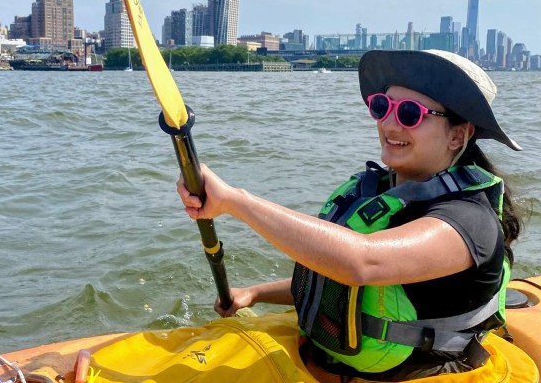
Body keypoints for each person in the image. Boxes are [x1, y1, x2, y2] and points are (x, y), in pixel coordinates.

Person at [177, 50, 523, 381]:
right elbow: (338, 283)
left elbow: (362, 263)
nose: (389, 124)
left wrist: (235, 202)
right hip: (336, 364)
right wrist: (256, 293)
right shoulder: (384, 192)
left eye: (410, 114)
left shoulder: (468, 220)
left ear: (458, 135)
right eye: (382, 106)